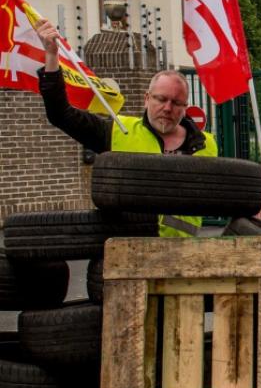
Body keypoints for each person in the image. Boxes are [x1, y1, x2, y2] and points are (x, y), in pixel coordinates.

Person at [34, 18, 218, 237]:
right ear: (147, 99)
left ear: (185, 107)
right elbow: (61, 115)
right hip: (128, 249)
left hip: (183, 251)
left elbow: (221, 195)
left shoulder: (206, 145)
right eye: (161, 99)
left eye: (176, 103)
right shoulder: (117, 131)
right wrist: (52, 56)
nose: (168, 108)